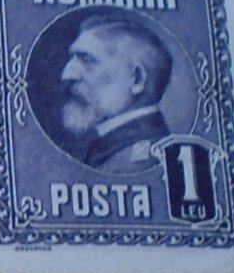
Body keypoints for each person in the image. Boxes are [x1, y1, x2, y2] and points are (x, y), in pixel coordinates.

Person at [54, 15, 175, 174]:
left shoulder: (139, 161)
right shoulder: (110, 150)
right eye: (73, 59)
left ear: (137, 78)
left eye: (87, 60)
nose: (67, 75)